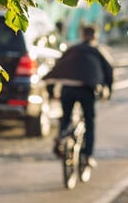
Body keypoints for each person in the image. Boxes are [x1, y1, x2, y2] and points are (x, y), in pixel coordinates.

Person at [44, 26, 113, 168]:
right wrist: (108, 91)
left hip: (67, 88)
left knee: (66, 117)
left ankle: (62, 136)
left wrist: (52, 92)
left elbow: (57, 68)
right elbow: (109, 71)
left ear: (83, 35)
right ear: (95, 36)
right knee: (89, 122)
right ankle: (88, 156)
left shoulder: (72, 49)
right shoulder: (97, 51)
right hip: (86, 89)